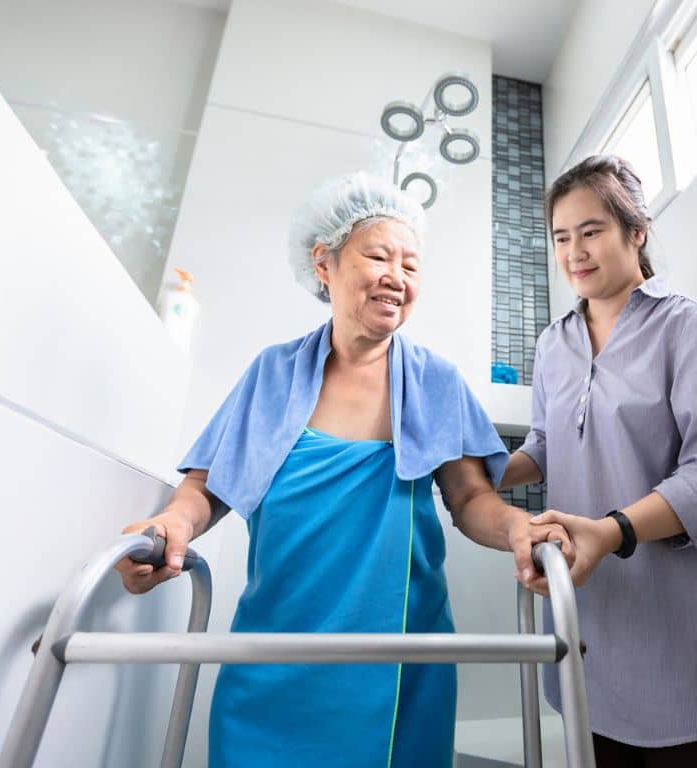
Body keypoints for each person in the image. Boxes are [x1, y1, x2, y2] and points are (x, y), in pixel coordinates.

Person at [115, 172, 571, 768]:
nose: (397, 277)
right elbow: (208, 486)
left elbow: (469, 500)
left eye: (411, 265)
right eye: (378, 256)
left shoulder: (435, 380)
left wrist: (515, 525)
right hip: (276, 647)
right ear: (323, 262)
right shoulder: (272, 374)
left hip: (399, 656)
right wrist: (173, 521)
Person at [502, 155, 697, 767]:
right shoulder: (553, 343)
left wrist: (611, 531)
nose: (575, 252)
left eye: (592, 231)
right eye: (562, 237)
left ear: (637, 232)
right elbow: (546, 444)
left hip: (687, 641)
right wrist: (478, 471)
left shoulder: (690, 326)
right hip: (594, 632)